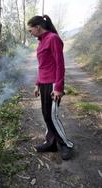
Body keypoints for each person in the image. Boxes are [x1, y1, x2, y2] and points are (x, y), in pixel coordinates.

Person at [27, 15, 73, 160]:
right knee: (46, 115)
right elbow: (42, 67)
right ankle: (51, 143)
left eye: (30, 30)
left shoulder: (53, 39)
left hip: (54, 84)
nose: (30, 33)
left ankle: (66, 144)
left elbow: (60, 64)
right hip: (44, 84)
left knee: (52, 116)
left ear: (37, 27)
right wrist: (37, 84)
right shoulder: (40, 43)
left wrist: (58, 87)